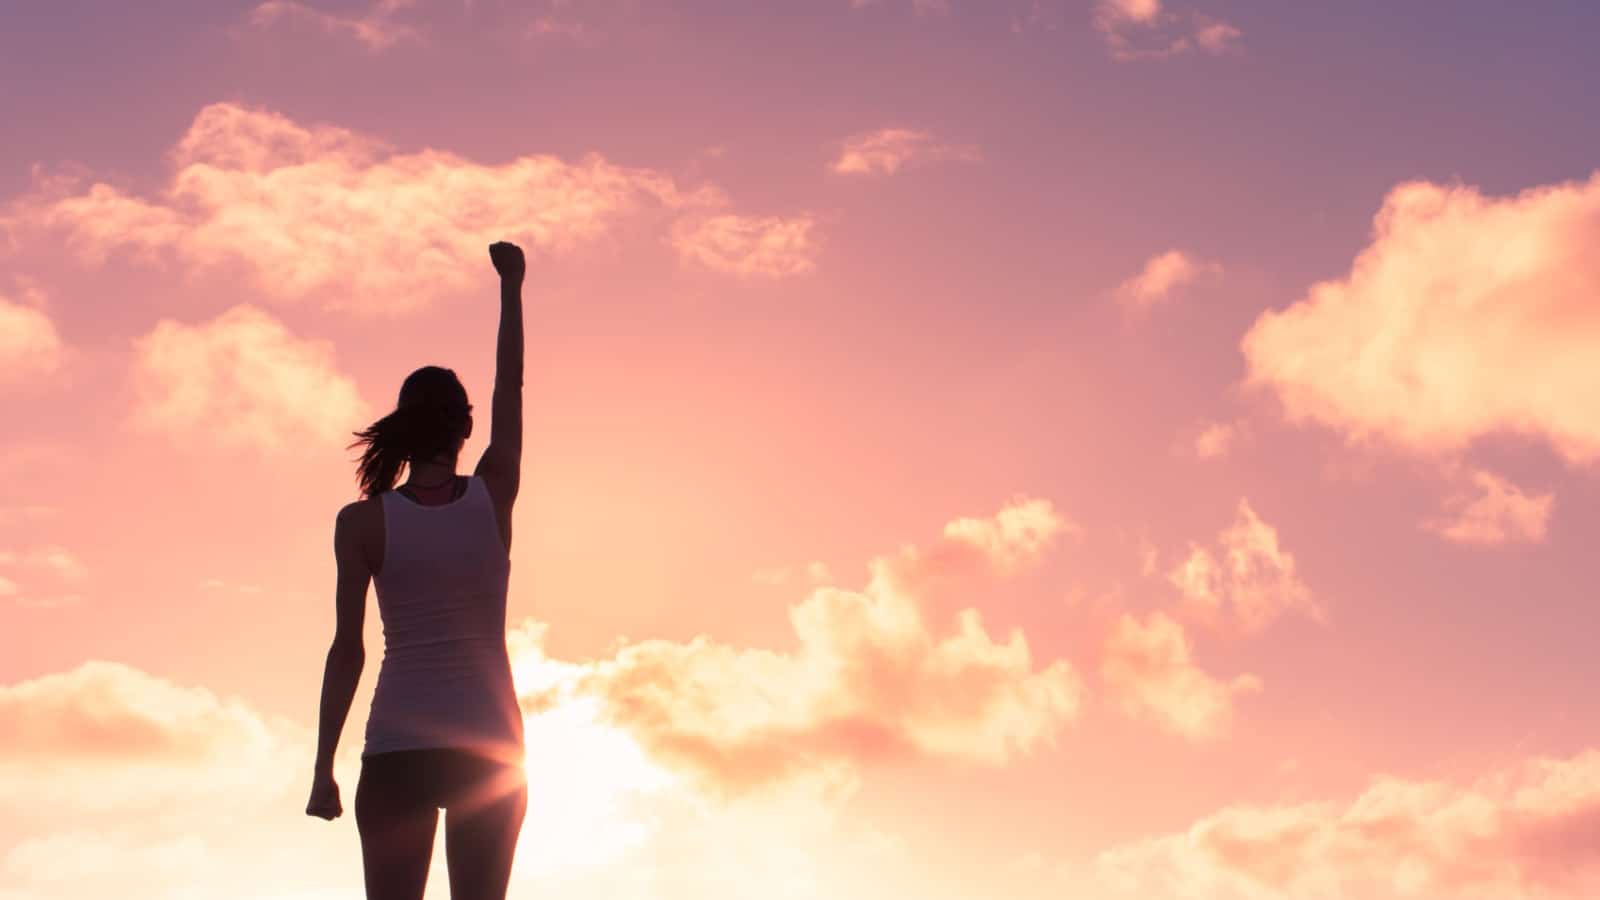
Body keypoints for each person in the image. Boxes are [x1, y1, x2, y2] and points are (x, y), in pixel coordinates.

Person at [305, 241, 528, 900]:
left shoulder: (362, 522)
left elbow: (349, 649)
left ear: (403, 428)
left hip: (396, 747)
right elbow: (509, 383)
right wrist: (512, 285)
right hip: (488, 748)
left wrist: (323, 768)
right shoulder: (494, 493)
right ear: (465, 427)